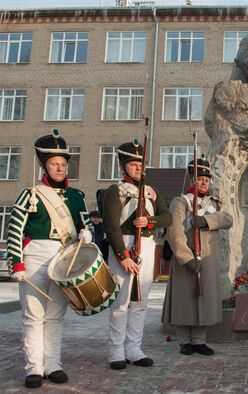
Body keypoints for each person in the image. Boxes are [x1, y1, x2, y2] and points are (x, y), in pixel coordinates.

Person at [7, 130, 93, 388]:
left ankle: (53, 364)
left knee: (56, 315)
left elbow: (86, 224)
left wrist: (88, 233)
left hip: (63, 258)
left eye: (64, 164)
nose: (60, 168)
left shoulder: (77, 197)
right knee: (33, 316)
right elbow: (14, 228)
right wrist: (17, 263)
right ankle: (33, 367)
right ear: (45, 166)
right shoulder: (30, 193)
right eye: (55, 164)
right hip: (34, 257)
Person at [101, 140, 172, 370]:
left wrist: (149, 221)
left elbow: (167, 217)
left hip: (147, 246)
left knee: (140, 302)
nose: (138, 169)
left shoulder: (151, 192)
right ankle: (116, 350)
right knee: (121, 303)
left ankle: (134, 348)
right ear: (124, 166)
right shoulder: (115, 191)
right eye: (133, 165)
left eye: (141, 165)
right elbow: (111, 226)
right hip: (124, 245)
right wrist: (123, 256)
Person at [162, 158, 233, 356]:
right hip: (187, 260)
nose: (203, 183)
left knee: (204, 300)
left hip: (208, 260)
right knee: (184, 301)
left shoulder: (213, 202)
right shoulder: (180, 202)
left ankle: (200, 341)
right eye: (200, 179)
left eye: (206, 179)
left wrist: (206, 220)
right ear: (192, 180)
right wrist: (187, 258)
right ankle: (185, 341)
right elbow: (175, 233)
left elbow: (227, 219)